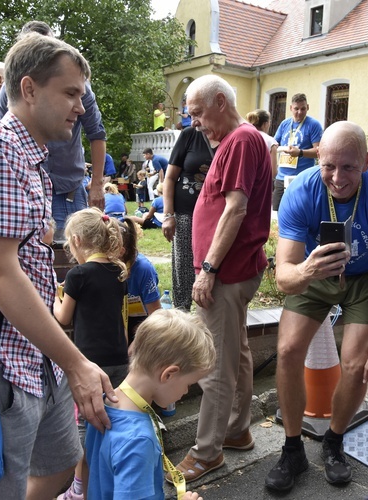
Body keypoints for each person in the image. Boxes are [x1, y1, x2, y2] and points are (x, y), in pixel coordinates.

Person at [0, 33, 116, 498]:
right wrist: (75, 362)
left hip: (36, 353)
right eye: (71, 93)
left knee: (58, 468)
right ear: (30, 89)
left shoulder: (31, 156)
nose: (81, 108)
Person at [265, 121, 368, 492]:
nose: (337, 178)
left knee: (355, 363)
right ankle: (293, 450)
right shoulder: (301, 193)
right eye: (329, 166)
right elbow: (284, 277)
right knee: (288, 350)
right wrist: (309, 268)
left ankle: (334, 442)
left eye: (349, 167)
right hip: (314, 273)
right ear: (318, 156)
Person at [169, 74, 272, 482]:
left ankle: (208, 451)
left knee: (215, 364)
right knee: (237, 352)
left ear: (218, 101)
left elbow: (234, 210)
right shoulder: (240, 140)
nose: (194, 122)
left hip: (225, 273)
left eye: (196, 112)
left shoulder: (241, 140)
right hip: (233, 271)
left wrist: (208, 270)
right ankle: (236, 430)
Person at [85, 308, 214, 500]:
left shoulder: (101, 403)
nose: (186, 392)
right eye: (188, 384)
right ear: (168, 374)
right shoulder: (138, 440)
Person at [0, 20, 108, 243]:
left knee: (77, 261)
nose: (80, 107)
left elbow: (97, 133)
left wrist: (96, 184)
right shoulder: (5, 98)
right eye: (70, 95)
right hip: (27, 190)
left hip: (68, 190)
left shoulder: (79, 85)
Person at [53, 207, 129, 500]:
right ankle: (109, 482)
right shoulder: (118, 272)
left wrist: (53, 295)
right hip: (119, 360)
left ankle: (79, 490)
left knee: (84, 428)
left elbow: (62, 318)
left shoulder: (78, 275)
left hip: (89, 365)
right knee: (112, 421)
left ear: (76, 241)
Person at [162, 125, 215, 311]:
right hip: (185, 213)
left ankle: (206, 312)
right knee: (183, 266)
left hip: (215, 217)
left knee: (211, 263)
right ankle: (182, 314)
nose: (194, 119)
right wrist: (168, 215)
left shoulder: (228, 136)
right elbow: (169, 178)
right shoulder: (190, 135)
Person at [273, 93, 323, 210]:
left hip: (302, 177)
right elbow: (275, 144)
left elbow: (319, 151)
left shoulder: (313, 125)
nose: (299, 112)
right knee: (276, 214)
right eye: (296, 109)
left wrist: (300, 152)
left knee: (298, 212)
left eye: (303, 109)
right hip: (281, 177)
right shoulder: (285, 124)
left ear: (308, 107)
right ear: (291, 108)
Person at [118, 217, 162, 346]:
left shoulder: (143, 269)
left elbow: (155, 314)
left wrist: (136, 344)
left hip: (141, 324)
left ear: (121, 251)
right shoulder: (106, 264)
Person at [246, 109, 278, 180]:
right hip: (262, 183)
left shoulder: (246, 138)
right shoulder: (271, 141)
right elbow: (273, 172)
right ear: (265, 124)